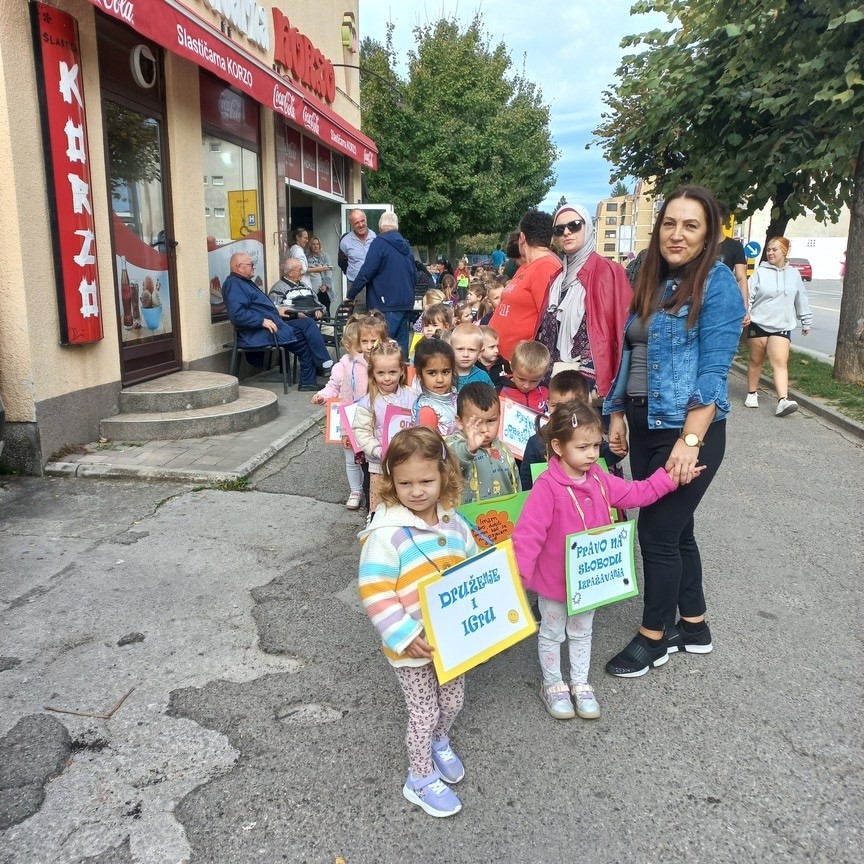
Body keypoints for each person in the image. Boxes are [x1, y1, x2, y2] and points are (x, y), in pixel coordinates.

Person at [602, 184, 745, 677]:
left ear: (708, 235)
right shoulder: (653, 278)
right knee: (679, 531)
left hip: (685, 430)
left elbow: (713, 372)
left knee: (657, 534)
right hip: (643, 423)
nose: (677, 234)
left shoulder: (717, 283)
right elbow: (631, 352)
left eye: (690, 226)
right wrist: (616, 413)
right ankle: (695, 626)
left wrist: (690, 441)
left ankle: (654, 638)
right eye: (669, 223)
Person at [513, 401, 679, 719]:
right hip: (554, 581)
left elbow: (633, 493)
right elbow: (528, 534)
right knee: (551, 633)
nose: (592, 454)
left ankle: (580, 682)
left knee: (581, 632)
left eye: (595, 445)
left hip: (588, 583)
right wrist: (519, 577)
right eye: (582, 447)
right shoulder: (546, 487)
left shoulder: (599, 478)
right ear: (558, 446)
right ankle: (553, 684)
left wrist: (669, 480)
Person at [357, 426, 478, 818]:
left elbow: (473, 568)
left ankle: (440, 741)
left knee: (453, 700)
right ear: (392, 481)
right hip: (412, 645)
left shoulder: (455, 523)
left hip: (452, 640)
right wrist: (404, 634)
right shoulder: (386, 535)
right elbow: (375, 590)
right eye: (405, 483)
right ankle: (420, 777)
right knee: (423, 712)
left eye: (426, 481)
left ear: (444, 474)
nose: (417, 491)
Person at [536, 204, 632, 398]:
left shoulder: (610, 272)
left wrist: (592, 381)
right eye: (559, 229)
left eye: (574, 225)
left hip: (589, 387)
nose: (566, 232)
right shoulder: (556, 280)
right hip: (552, 384)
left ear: (587, 227)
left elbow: (622, 330)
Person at [222, 252, 332, 392]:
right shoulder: (233, 284)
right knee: (305, 337)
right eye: (250, 264)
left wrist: (276, 310)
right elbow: (237, 314)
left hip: (271, 327)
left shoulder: (243, 282)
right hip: (257, 333)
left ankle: (317, 371)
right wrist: (261, 321)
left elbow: (256, 307)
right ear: (238, 267)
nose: (254, 267)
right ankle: (319, 370)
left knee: (307, 323)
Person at [312, 315, 384, 510]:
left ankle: (374, 493)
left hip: (374, 419)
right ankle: (355, 490)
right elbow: (334, 387)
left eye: (371, 342)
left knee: (372, 457)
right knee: (351, 457)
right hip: (350, 418)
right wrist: (323, 396)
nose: (366, 348)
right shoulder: (344, 365)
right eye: (361, 345)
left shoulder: (379, 361)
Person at [519, 370, 625, 491]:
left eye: (569, 407)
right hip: (551, 500)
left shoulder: (589, 436)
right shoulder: (536, 441)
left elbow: (605, 457)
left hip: (587, 497)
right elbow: (527, 479)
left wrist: (617, 450)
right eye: (556, 406)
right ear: (548, 404)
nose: (561, 412)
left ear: (585, 407)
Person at [745, 236, 812, 416]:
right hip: (758, 323)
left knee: (780, 362)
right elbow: (748, 295)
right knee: (756, 360)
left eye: (774, 249)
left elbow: (801, 298)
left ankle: (783, 400)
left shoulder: (794, 274)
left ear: (784, 251)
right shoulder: (760, 272)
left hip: (782, 325)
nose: (770, 253)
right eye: (768, 250)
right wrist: (746, 313)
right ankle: (752, 393)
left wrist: (806, 320)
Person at [353, 340, 417, 521]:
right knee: (380, 502)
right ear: (372, 373)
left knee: (406, 498)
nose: (387, 378)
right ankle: (376, 524)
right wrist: (378, 450)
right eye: (381, 373)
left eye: (392, 372)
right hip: (379, 463)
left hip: (408, 461)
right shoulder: (368, 402)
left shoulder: (412, 396)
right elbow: (361, 431)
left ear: (402, 370)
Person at [489, 211, 562, 362]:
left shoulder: (546, 267)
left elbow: (550, 322)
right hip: (501, 358)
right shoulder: (527, 266)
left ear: (522, 237)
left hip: (519, 363)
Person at [344, 211, 416, 359]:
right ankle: (402, 372)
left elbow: (366, 272)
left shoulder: (379, 243)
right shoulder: (406, 246)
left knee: (379, 348)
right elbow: (414, 274)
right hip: (406, 303)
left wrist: (351, 294)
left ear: (380, 227)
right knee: (400, 351)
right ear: (396, 226)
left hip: (385, 305)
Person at [446, 382, 519, 504]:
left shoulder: (504, 450)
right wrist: (469, 449)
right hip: (466, 515)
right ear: (459, 422)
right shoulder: (453, 444)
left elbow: (515, 486)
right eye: (477, 422)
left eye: (491, 421)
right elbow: (449, 463)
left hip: (503, 514)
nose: (485, 429)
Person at [413, 338, 458, 436]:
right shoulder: (427, 410)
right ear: (420, 374)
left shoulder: (454, 396)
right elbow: (426, 443)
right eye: (432, 373)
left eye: (445, 372)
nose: (440, 380)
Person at [497, 340, 550, 413]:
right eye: (521, 379)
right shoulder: (500, 392)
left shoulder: (545, 390)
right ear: (512, 367)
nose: (526, 386)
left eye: (534, 381)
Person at [340, 209, 377, 313]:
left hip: (373, 284)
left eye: (362, 221)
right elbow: (342, 262)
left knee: (375, 316)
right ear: (351, 224)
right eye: (357, 223)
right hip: (355, 285)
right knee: (358, 317)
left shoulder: (375, 237)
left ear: (366, 220)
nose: (361, 225)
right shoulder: (345, 242)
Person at [716, 202, 749, 316]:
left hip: (725, 300)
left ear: (723, 219)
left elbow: (741, 278)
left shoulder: (735, 246)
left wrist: (744, 308)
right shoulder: (698, 245)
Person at [450, 323, 494, 390]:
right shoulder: (445, 374)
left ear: (480, 353)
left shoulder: (483, 377)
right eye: (460, 349)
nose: (465, 355)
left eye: (471, 350)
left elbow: (492, 396)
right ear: (451, 349)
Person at [306, 235, 333, 316]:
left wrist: (325, 285)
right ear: (310, 245)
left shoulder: (324, 256)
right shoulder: (306, 256)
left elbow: (328, 272)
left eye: (317, 244)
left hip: (322, 289)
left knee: (325, 311)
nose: (316, 246)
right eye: (313, 244)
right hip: (311, 289)